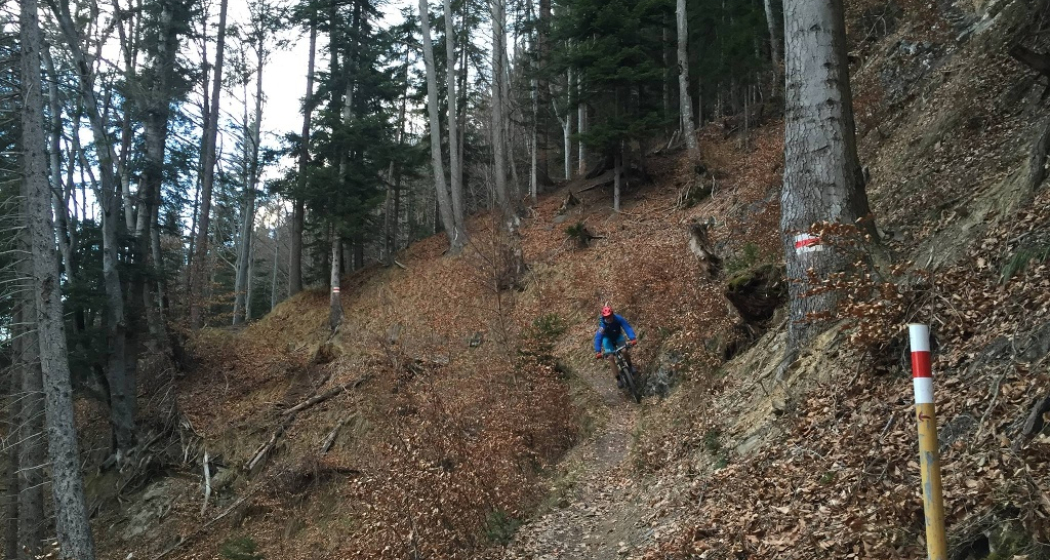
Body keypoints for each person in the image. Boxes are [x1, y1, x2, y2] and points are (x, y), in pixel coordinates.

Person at [593, 305, 637, 387]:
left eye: (610, 316)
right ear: (604, 317)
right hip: (607, 339)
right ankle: (618, 379)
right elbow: (598, 338)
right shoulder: (603, 326)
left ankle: (630, 366)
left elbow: (627, 327)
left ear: (612, 314)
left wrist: (632, 338)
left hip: (617, 336)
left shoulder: (618, 319)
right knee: (610, 357)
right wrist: (598, 351)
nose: (609, 318)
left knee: (624, 350)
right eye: (606, 317)